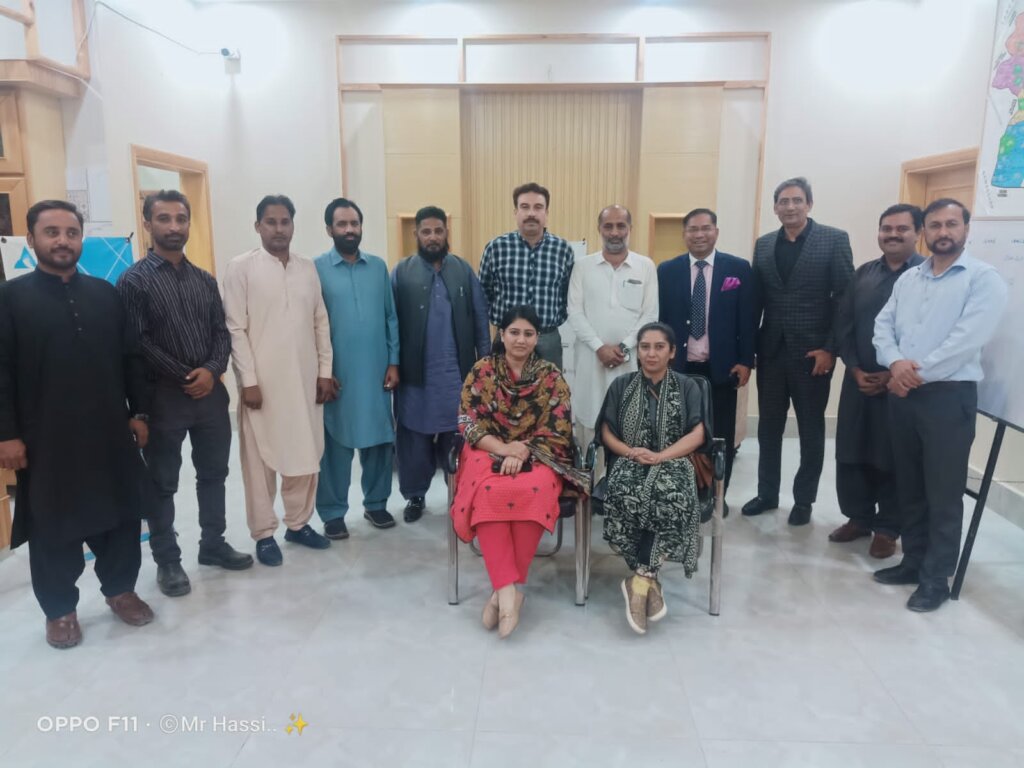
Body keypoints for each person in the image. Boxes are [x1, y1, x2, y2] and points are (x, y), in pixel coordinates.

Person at [0, 200, 154, 648]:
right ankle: (60, 610)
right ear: (31, 239)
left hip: (108, 432)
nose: (63, 241)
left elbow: (130, 358)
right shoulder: (10, 298)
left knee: (121, 515)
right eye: (52, 232)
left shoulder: (105, 294)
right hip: (45, 437)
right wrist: (6, 434)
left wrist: (139, 412)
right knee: (52, 524)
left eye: (71, 232)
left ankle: (121, 590)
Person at [872, 198, 1008, 612]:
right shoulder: (910, 279)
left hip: (948, 398)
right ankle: (913, 562)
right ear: (924, 231)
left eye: (951, 224)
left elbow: (966, 340)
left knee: (943, 492)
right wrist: (895, 363)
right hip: (904, 396)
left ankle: (936, 578)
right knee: (910, 484)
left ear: (966, 229)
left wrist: (912, 374)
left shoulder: (983, 280)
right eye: (935, 225)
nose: (943, 232)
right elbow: (883, 326)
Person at [117, 190, 252, 599]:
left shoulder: (204, 279)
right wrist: (186, 375)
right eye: (164, 218)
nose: (174, 226)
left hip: (210, 396)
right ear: (147, 224)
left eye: (181, 218)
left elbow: (220, 332)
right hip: (162, 398)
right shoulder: (134, 281)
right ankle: (168, 560)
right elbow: (137, 343)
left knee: (214, 474)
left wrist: (211, 371)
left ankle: (213, 544)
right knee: (162, 482)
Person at [451, 306, 588, 638]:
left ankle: (502, 593)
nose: (521, 340)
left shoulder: (551, 375)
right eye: (514, 332)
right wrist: (504, 449)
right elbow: (468, 422)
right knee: (489, 490)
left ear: (537, 338)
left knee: (534, 490)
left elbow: (559, 429)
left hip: (540, 452)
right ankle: (510, 593)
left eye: (528, 334)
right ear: (502, 334)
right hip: (486, 449)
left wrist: (523, 449)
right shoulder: (483, 370)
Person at [223, 195, 336, 566]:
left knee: (305, 452)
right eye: (270, 222)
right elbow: (235, 328)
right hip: (263, 386)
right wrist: (248, 381)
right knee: (259, 461)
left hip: (305, 380)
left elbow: (320, 322)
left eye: (285, 221)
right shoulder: (241, 268)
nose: (278, 229)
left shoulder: (307, 268)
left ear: (293, 225)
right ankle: (264, 533)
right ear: (257, 226)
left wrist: (324, 372)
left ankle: (298, 523)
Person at [743, 177, 854, 525]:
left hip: (813, 354)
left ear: (809, 204)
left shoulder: (833, 240)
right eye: (783, 201)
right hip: (771, 352)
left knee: (810, 429)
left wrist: (830, 349)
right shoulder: (763, 245)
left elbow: (846, 300)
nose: (790, 207)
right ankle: (767, 493)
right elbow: (756, 301)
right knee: (768, 429)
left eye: (797, 200)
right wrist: (750, 349)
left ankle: (804, 500)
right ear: (775, 207)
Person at [597, 322, 706, 635]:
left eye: (659, 347)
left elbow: (698, 433)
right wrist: (631, 453)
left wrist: (660, 456)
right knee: (626, 493)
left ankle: (640, 581)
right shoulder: (621, 385)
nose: (651, 353)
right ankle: (647, 583)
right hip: (629, 460)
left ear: (672, 352)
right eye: (645, 346)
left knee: (671, 497)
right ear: (638, 351)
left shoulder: (687, 386)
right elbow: (606, 431)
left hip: (676, 461)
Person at [830, 204, 925, 559]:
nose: (893, 235)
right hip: (859, 379)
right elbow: (845, 325)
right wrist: (855, 368)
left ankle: (888, 528)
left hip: (903, 385)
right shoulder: (864, 274)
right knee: (851, 450)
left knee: (892, 455)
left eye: (902, 229)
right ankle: (858, 518)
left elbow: (927, 334)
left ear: (918, 233)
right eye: (887, 228)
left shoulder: (926, 276)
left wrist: (893, 373)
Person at [392, 205, 490, 523]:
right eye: (426, 231)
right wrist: (392, 364)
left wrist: (485, 365)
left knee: (456, 435)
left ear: (447, 232)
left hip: (456, 375)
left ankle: (459, 494)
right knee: (414, 438)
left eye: (438, 231)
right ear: (416, 234)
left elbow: (480, 319)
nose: (432, 237)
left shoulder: (462, 270)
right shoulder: (401, 272)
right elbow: (390, 323)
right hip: (415, 375)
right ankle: (415, 496)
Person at [658, 208, 754, 513]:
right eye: (693, 229)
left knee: (721, 436)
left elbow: (748, 319)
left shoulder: (738, 269)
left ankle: (717, 496)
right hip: (679, 369)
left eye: (705, 228)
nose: (699, 235)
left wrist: (746, 360)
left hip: (722, 368)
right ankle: (683, 494)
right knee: (679, 434)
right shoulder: (667, 271)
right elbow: (660, 319)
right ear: (684, 234)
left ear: (716, 232)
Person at [314, 198, 399, 538]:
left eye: (354, 223)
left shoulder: (377, 267)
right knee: (335, 443)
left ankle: (376, 503)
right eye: (342, 224)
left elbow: (391, 317)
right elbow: (310, 325)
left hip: (377, 370)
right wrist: (321, 371)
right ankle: (333, 512)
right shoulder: (316, 269)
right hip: (338, 375)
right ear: (329, 229)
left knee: (379, 439)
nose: (349, 230)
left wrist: (394, 362)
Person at [567, 204, 658, 464]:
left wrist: (624, 347)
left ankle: (623, 484)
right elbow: (574, 312)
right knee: (589, 424)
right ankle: (590, 484)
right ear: (599, 229)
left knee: (628, 423)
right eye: (608, 226)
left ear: (630, 229)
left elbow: (650, 315)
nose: (615, 232)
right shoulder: (583, 266)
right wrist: (599, 347)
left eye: (621, 226)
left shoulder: (645, 266)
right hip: (591, 360)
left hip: (628, 362)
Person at [479, 183, 574, 368]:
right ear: (516, 212)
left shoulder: (563, 250)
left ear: (546, 213)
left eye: (538, 207)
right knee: (501, 386)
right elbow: (483, 294)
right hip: (507, 339)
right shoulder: (496, 248)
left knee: (550, 387)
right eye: (525, 207)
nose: (531, 213)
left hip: (547, 339)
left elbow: (567, 294)